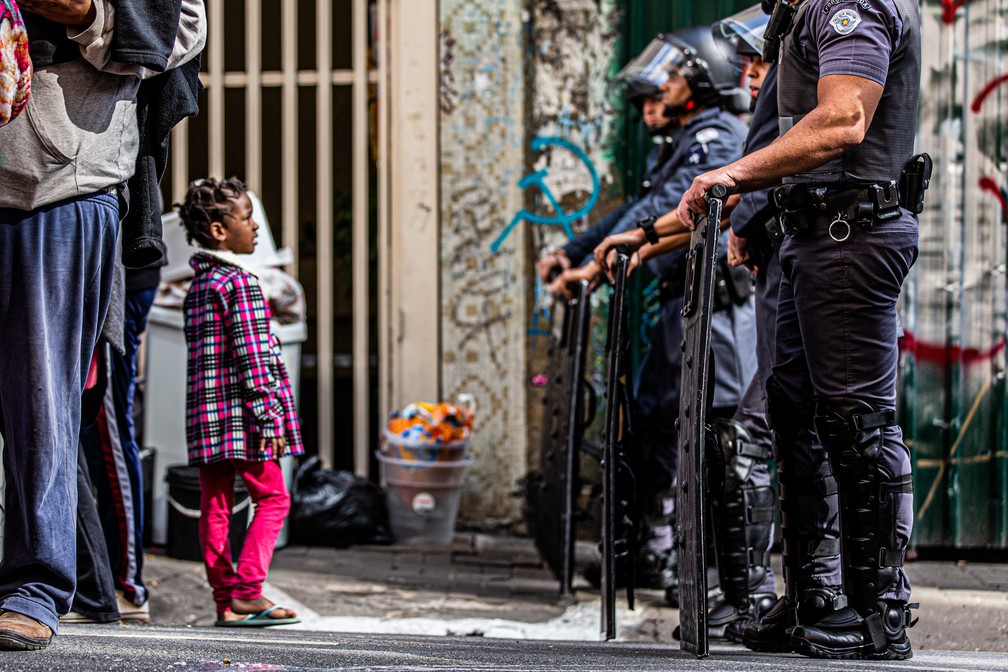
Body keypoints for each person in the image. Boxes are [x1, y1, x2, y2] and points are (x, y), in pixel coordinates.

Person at [677, 0, 922, 660]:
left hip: (853, 231)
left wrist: (731, 175)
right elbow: (775, 131)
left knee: (859, 422)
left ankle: (879, 612)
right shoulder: (799, 13)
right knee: (794, 414)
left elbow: (844, 119)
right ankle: (815, 593)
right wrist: (753, 216)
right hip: (808, 236)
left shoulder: (850, 4)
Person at [0, 0, 205, 651]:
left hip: (57, 182)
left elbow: (184, 27)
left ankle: (36, 582)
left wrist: (82, 9)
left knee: (44, 398)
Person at [548, 26, 757, 606]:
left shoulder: (715, 138)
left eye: (664, 81)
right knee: (657, 423)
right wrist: (580, 248)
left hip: (717, 304)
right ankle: (657, 549)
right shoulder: (684, 140)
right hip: (684, 303)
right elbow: (642, 209)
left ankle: (726, 579)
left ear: (702, 76)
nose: (651, 100)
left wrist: (599, 254)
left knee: (716, 431)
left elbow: (666, 213)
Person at [176, 177, 304, 628]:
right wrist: (269, 417)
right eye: (246, 218)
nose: (254, 228)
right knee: (273, 500)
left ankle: (224, 599)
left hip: (207, 422)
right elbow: (254, 360)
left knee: (216, 505)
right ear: (218, 231)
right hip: (246, 421)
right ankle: (248, 592)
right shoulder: (242, 285)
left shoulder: (198, 287)